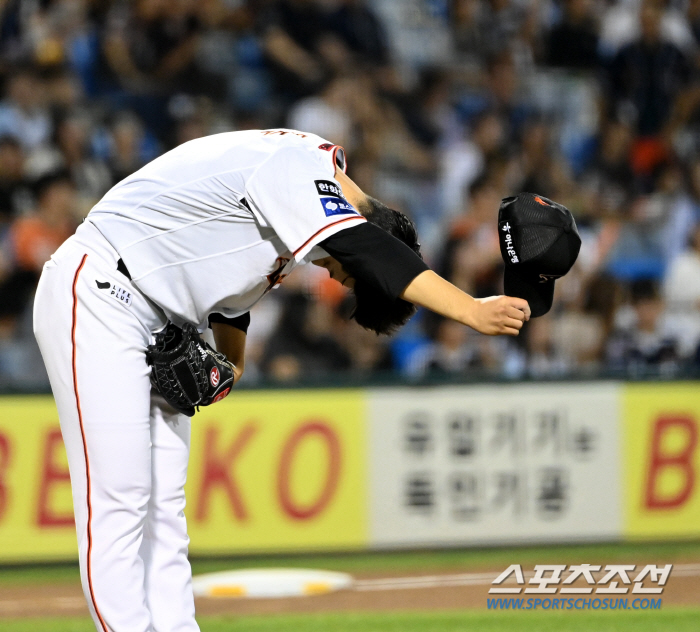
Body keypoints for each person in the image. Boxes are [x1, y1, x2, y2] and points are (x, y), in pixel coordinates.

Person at [33, 128, 530, 632]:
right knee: (119, 497)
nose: (339, 278)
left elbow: (233, 301)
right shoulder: (298, 167)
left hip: (159, 319)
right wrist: (469, 308)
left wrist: (232, 366)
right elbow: (361, 246)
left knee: (164, 511)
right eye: (352, 276)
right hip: (100, 291)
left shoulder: (295, 203)